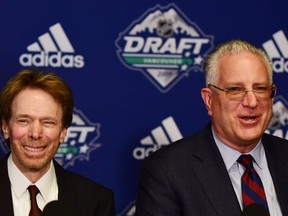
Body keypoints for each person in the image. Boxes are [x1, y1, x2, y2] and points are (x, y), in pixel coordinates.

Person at [135, 40, 288, 216]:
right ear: (209, 100)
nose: (252, 102)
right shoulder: (167, 171)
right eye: (235, 89)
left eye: (260, 88)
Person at [0, 69, 115, 216]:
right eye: (23, 121)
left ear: (63, 132)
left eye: (48, 122)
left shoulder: (96, 201)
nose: (35, 133)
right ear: (5, 127)